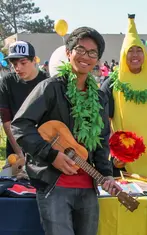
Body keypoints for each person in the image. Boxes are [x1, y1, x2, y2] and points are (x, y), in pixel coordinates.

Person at [11, 27, 120, 235]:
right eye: (80, 49)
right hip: (54, 186)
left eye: (92, 53)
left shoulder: (100, 97)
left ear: (98, 60)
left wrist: (106, 174)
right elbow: (20, 125)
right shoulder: (50, 88)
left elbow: (101, 139)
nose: (86, 57)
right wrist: (52, 155)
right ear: (68, 53)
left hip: (88, 187)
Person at [101, 14, 147, 178]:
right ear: (123, 55)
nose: (135, 55)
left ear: (145, 55)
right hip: (124, 160)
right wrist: (114, 152)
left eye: (139, 50)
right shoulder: (111, 84)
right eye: (130, 51)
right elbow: (105, 122)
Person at [0, 41, 48, 164]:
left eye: (23, 62)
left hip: (43, 150)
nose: (18, 68)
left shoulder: (48, 82)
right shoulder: (7, 82)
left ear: (34, 61)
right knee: (8, 181)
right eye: (14, 64)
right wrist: (20, 155)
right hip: (15, 150)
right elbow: (6, 121)